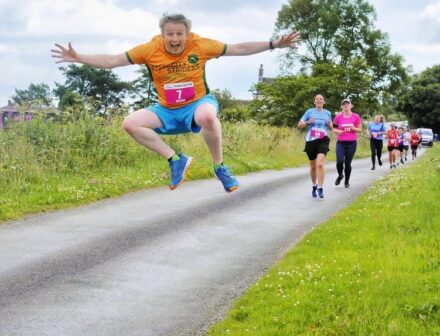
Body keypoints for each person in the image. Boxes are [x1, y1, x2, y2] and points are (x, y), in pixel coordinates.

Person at [52, 13, 300, 192]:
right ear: (162, 35)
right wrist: (79, 57)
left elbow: (237, 48)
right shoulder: (149, 50)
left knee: (208, 117)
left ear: (187, 34)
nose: (174, 39)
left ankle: (220, 167)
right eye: (169, 34)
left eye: (179, 34)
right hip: (167, 110)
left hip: (198, 103)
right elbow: (112, 61)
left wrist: (274, 44)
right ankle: (175, 159)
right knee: (130, 123)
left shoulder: (200, 45)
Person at [297, 94, 333, 199]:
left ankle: (320, 188)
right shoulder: (309, 111)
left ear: (324, 102)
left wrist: (330, 124)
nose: (319, 100)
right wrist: (308, 122)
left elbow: (330, 127)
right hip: (311, 140)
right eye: (317, 99)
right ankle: (314, 185)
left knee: (320, 164)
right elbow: (299, 125)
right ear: (314, 102)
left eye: (321, 99)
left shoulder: (328, 113)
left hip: (323, 140)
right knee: (313, 166)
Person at [333, 99, 361, 188]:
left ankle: (346, 181)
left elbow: (360, 129)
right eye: (344, 104)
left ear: (350, 106)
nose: (346, 106)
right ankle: (340, 175)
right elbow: (333, 128)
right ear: (342, 106)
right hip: (340, 143)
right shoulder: (338, 117)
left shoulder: (356, 116)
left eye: (347, 104)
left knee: (347, 163)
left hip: (352, 143)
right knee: (339, 162)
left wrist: (354, 128)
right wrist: (337, 131)